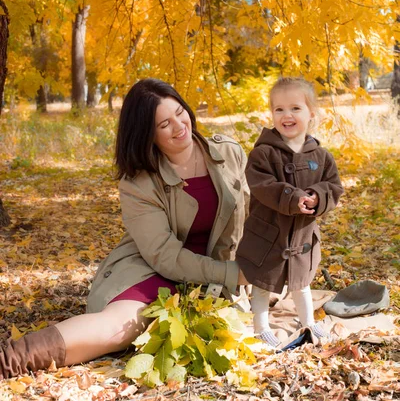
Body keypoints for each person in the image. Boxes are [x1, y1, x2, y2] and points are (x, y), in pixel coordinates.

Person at [0, 78, 249, 380]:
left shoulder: (230, 153)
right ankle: (12, 360)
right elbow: (163, 255)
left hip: (218, 267)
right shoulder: (139, 183)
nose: (179, 126)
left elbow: (256, 216)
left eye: (179, 112)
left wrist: (256, 265)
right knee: (119, 329)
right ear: (148, 135)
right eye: (163, 124)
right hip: (153, 265)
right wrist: (231, 274)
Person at [236, 77, 343, 347]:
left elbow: (334, 186)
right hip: (268, 233)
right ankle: (260, 326)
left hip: (302, 236)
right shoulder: (263, 153)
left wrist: (318, 196)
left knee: (301, 282)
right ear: (272, 113)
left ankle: (308, 322)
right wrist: (292, 197)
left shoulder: (321, 156)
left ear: (311, 114)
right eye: (279, 109)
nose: (287, 115)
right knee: (262, 281)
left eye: (295, 108)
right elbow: (261, 184)